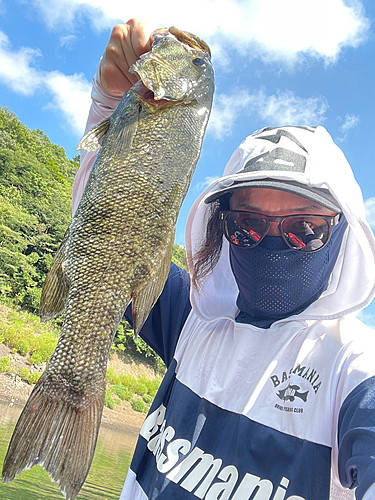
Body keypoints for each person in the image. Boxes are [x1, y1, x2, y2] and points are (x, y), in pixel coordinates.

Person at [73, 19, 375, 500]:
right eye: (248, 226)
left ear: (340, 233)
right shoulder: (192, 318)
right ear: (222, 228)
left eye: (304, 229)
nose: (272, 246)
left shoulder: (356, 372)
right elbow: (104, 236)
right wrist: (109, 107)